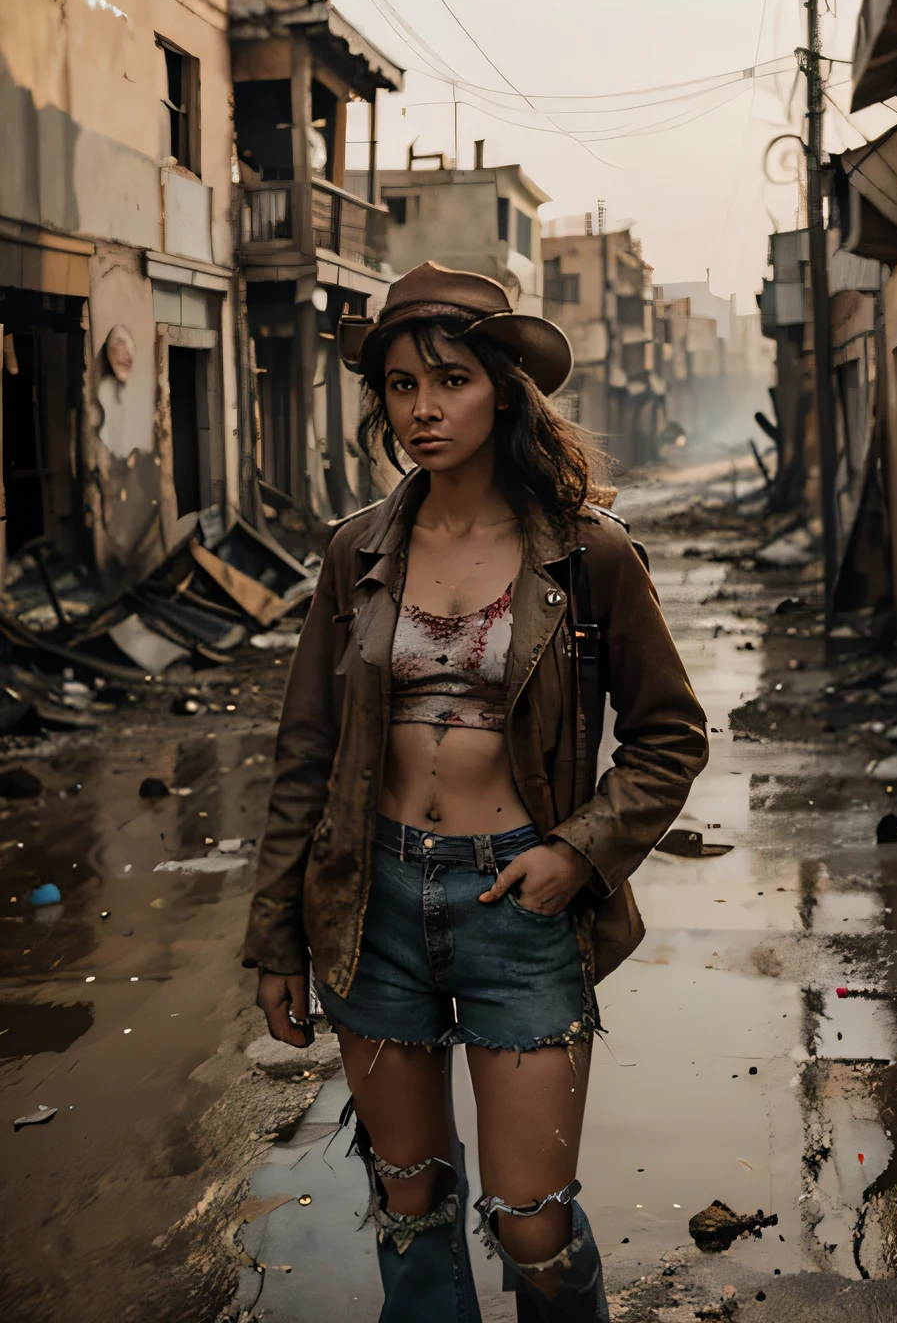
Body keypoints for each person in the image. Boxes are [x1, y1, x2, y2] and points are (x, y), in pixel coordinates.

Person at [243, 262, 708, 1322]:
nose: (422, 409)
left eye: (447, 380)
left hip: (519, 903)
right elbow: (304, 754)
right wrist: (276, 934)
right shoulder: (354, 550)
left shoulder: (589, 553)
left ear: (501, 388)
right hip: (371, 903)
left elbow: (669, 735)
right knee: (408, 1209)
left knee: (531, 1222)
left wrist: (578, 851)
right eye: (400, 387)